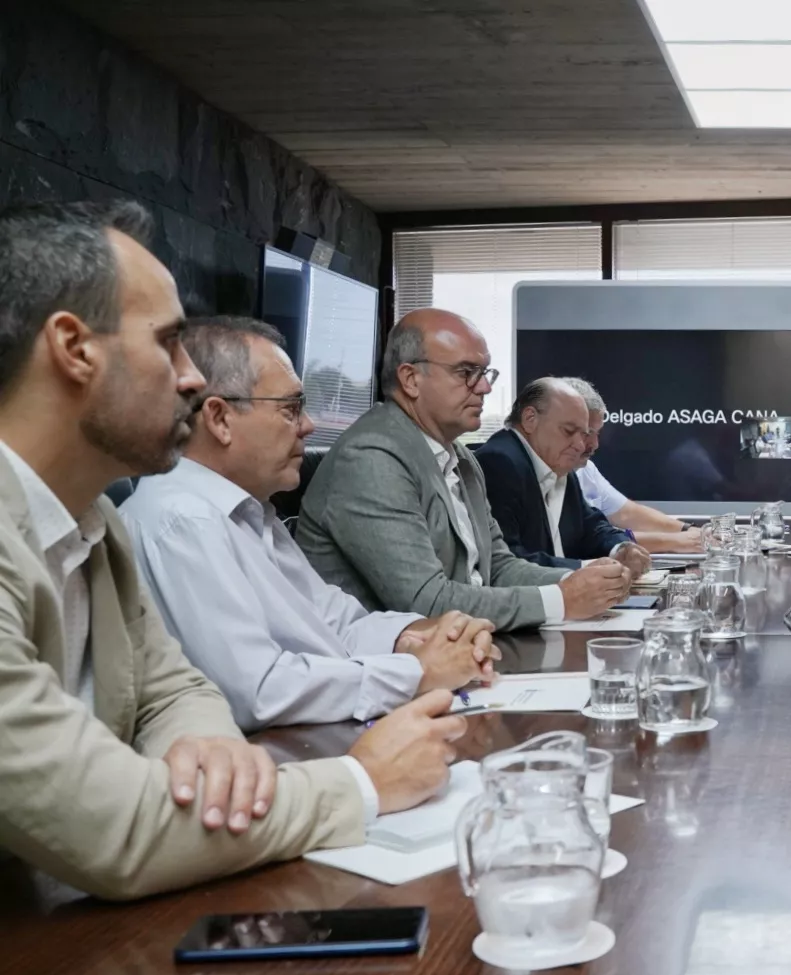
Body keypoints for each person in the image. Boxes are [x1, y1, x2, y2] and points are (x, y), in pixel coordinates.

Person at [0, 201, 462, 900]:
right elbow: (111, 826)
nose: (190, 378)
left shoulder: (96, 520)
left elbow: (174, 689)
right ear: (73, 348)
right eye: (168, 343)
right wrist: (360, 781)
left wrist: (210, 749)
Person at [121, 316, 501, 732]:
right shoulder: (182, 522)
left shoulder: (252, 513)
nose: (308, 425)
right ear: (220, 418)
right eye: (290, 409)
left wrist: (430, 633)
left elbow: (337, 622)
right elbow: (258, 692)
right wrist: (417, 672)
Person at [295, 310, 631, 630]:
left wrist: (584, 580)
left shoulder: (461, 458)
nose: (484, 387)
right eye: (466, 373)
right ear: (411, 379)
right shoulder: (371, 457)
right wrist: (561, 599)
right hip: (382, 673)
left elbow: (497, 567)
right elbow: (425, 602)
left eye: (484, 373)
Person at [474, 376, 652, 574]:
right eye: (569, 431)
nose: (580, 445)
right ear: (530, 419)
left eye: (584, 434)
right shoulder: (500, 463)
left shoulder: (558, 464)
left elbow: (591, 527)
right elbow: (507, 560)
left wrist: (621, 548)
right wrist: (587, 570)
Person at [562, 376, 704, 553]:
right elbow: (585, 541)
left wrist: (688, 530)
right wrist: (676, 541)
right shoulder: (533, 475)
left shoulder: (584, 469)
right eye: (587, 433)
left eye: (597, 433)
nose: (595, 444)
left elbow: (625, 512)